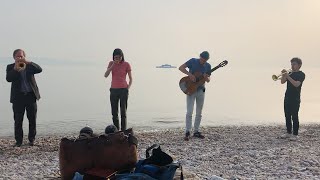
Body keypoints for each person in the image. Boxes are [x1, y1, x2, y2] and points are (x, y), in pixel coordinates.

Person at [6, 49, 42, 147]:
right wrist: (15, 70)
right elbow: (8, 79)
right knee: (18, 120)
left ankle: (32, 140)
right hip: (18, 98)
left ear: (24, 57)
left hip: (30, 96)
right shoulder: (10, 67)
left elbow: (39, 69)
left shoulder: (30, 66)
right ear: (14, 57)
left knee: (32, 119)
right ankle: (18, 141)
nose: (20, 58)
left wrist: (28, 62)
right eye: (18, 56)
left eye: (21, 56)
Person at [179, 51, 211, 141]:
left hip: (201, 90)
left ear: (207, 60)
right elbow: (181, 68)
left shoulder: (208, 66)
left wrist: (206, 77)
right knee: (189, 112)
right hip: (191, 89)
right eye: (202, 59)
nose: (203, 61)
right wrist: (190, 75)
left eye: (205, 60)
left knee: (199, 112)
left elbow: (208, 80)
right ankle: (187, 131)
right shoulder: (193, 61)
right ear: (199, 57)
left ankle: (196, 131)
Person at [104, 48, 132, 131]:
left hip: (123, 90)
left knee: (123, 112)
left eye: (119, 57)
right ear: (113, 57)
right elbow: (105, 75)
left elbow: (131, 78)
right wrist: (113, 65)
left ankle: (123, 131)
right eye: (116, 58)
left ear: (122, 56)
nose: (118, 59)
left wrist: (128, 88)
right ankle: (116, 131)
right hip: (113, 90)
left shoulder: (126, 64)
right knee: (114, 113)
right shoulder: (111, 63)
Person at [280, 57, 305, 141]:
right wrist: (284, 75)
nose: (292, 65)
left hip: (295, 98)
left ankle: (295, 134)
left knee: (294, 116)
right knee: (287, 115)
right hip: (287, 97)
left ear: (299, 65)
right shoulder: (289, 73)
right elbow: (282, 82)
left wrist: (288, 76)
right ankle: (288, 132)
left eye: (294, 64)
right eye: (291, 64)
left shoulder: (301, 75)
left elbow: (296, 84)